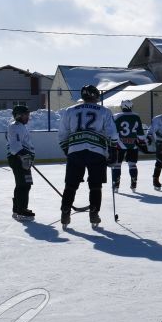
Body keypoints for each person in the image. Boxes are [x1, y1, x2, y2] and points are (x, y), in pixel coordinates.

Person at [57, 84, 120, 227]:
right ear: (96, 96)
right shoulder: (104, 111)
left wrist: (68, 149)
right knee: (95, 185)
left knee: (70, 185)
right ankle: (94, 214)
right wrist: (113, 150)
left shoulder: (70, 110)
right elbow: (112, 133)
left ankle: (65, 212)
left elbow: (62, 134)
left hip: (75, 151)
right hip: (96, 151)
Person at [6, 104, 36, 220]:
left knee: (24, 184)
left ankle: (18, 209)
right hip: (19, 159)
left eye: (28, 115)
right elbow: (15, 147)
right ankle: (21, 210)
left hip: (23, 158)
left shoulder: (20, 126)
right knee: (23, 184)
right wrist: (24, 156)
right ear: (18, 116)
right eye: (25, 115)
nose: (28, 117)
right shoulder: (15, 127)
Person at [111, 99, 145, 191]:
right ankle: (134, 183)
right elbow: (140, 132)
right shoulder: (136, 116)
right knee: (132, 164)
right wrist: (142, 141)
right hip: (133, 143)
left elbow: (113, 130)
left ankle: (116, 184)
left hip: (119, 143)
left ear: (122, 106)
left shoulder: (116, 116)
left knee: (117, 164)